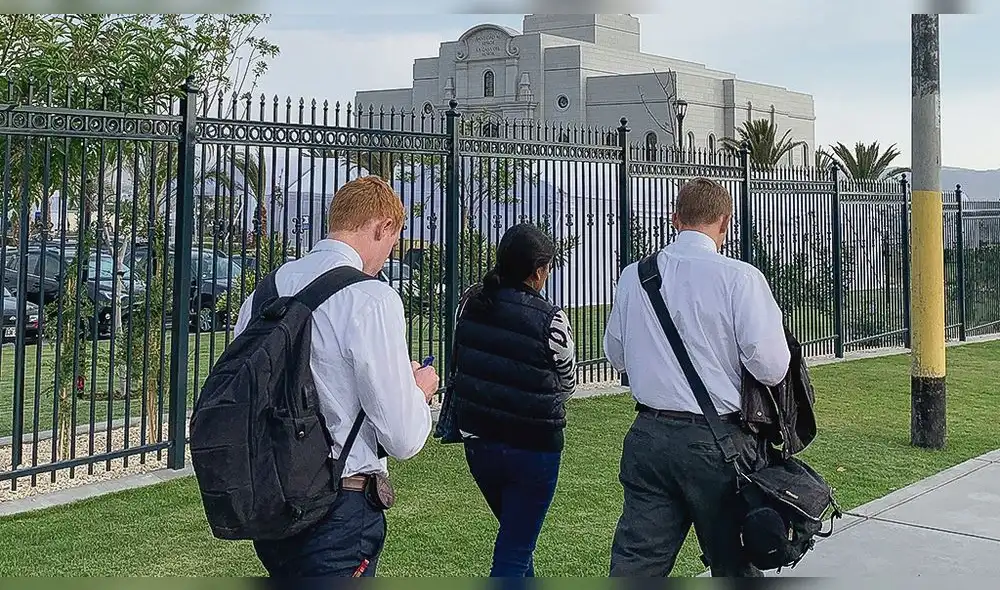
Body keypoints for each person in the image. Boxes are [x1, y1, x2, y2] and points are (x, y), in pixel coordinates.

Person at [231, 175, 439, 577]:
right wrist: (420, 391)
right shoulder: (371, 297)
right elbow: (403, 436)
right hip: (339, 503)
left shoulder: (265, 292)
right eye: (392, 242)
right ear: (383, 227)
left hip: (270, 497)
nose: (386, 257)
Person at [603, 177, 790, 577]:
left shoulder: (635, 276)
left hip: (650, 435)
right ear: (725, 222)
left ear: (675, 219)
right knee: (734, 561)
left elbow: (616, 355)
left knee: (637, 564)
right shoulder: (740, 278)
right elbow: (772, 366)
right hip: (718, 443)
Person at [449, 223, 577, 577]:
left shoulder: (470, 304)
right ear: (538, 271)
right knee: (515, 551)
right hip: (533, 447)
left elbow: (462, 361)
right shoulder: (552, 320)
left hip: (479, 441)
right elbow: (567, 384)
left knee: (517, 540)